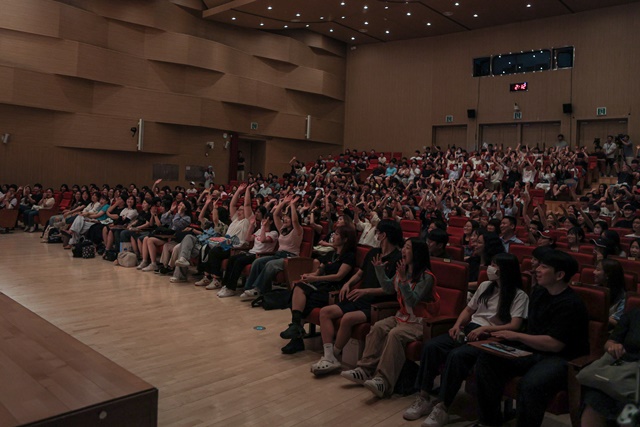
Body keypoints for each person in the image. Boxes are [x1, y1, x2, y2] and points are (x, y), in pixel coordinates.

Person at [406, 253, 529, 426]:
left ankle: (442, 406)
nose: (490, 268)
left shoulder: (519, 295)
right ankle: (424, 397)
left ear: (505, 270)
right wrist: (457, 325)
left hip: (491, 337)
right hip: (471, 329)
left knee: (457, 356)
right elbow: (468, 311)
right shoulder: (486, 286)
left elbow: (515, 325)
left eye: (495, 265)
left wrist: (486, 328)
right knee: (432, 346)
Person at [474, 249, 589, 427]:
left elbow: (555, 344)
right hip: (532, 349)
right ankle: (489, 421)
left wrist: (517, 335)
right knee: (487, 360)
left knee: (530, 385)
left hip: (561, 358)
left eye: (544, 267)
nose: (537, 269)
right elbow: (532, 330)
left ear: (559, 275)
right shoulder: (539, 293)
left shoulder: (571, 304)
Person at [341, 238, 438, 398]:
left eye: (407, 248)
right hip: (402, 316)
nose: (403, 251)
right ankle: (365, 370)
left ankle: (383, 381)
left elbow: (413, 300)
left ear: (417, 253)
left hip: (420, 322)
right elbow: (388, 288)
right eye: (404, 247)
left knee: (395, 335)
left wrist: (404, 281)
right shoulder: (403, 269)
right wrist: (380, 270)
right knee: (378, 327)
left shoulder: (427, 277)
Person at [309, 220, 403, 375]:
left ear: (383, 235)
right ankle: (329, 356)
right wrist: (348, 284)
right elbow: (360, 273)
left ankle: (335, 355)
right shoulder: (373, 253)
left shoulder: (397, 258)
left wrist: (366, 292)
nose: (375, 234)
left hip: (378, 302)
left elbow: (391, 289)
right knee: (325, 312)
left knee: (347, 318)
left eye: (377, 232)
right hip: (360, 295)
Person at [279, 225, 357, 354]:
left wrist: (315, 279)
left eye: (337, 234)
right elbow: (317, 272)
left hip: (333, 290)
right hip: (321, 286)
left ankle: (296, 336)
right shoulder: (330, 254)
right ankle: (296, 330)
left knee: (300, 297)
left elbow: (339, 277)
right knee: (298, 287)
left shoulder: (349, 256)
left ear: (345, 239)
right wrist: (308, 276)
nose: (333, 236)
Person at [580, 307, 640, 427]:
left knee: (631, 404)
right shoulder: (634, 314)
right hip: (626, 369)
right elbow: (610, 342)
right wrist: (613, 347)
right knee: (595, 396)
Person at [592, 259, 626, 328]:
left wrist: (594, 314)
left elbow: (617, 322)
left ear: (608, 275)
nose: (594, 272)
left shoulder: (623, 297)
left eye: (598, 270)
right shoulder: (594, 289)